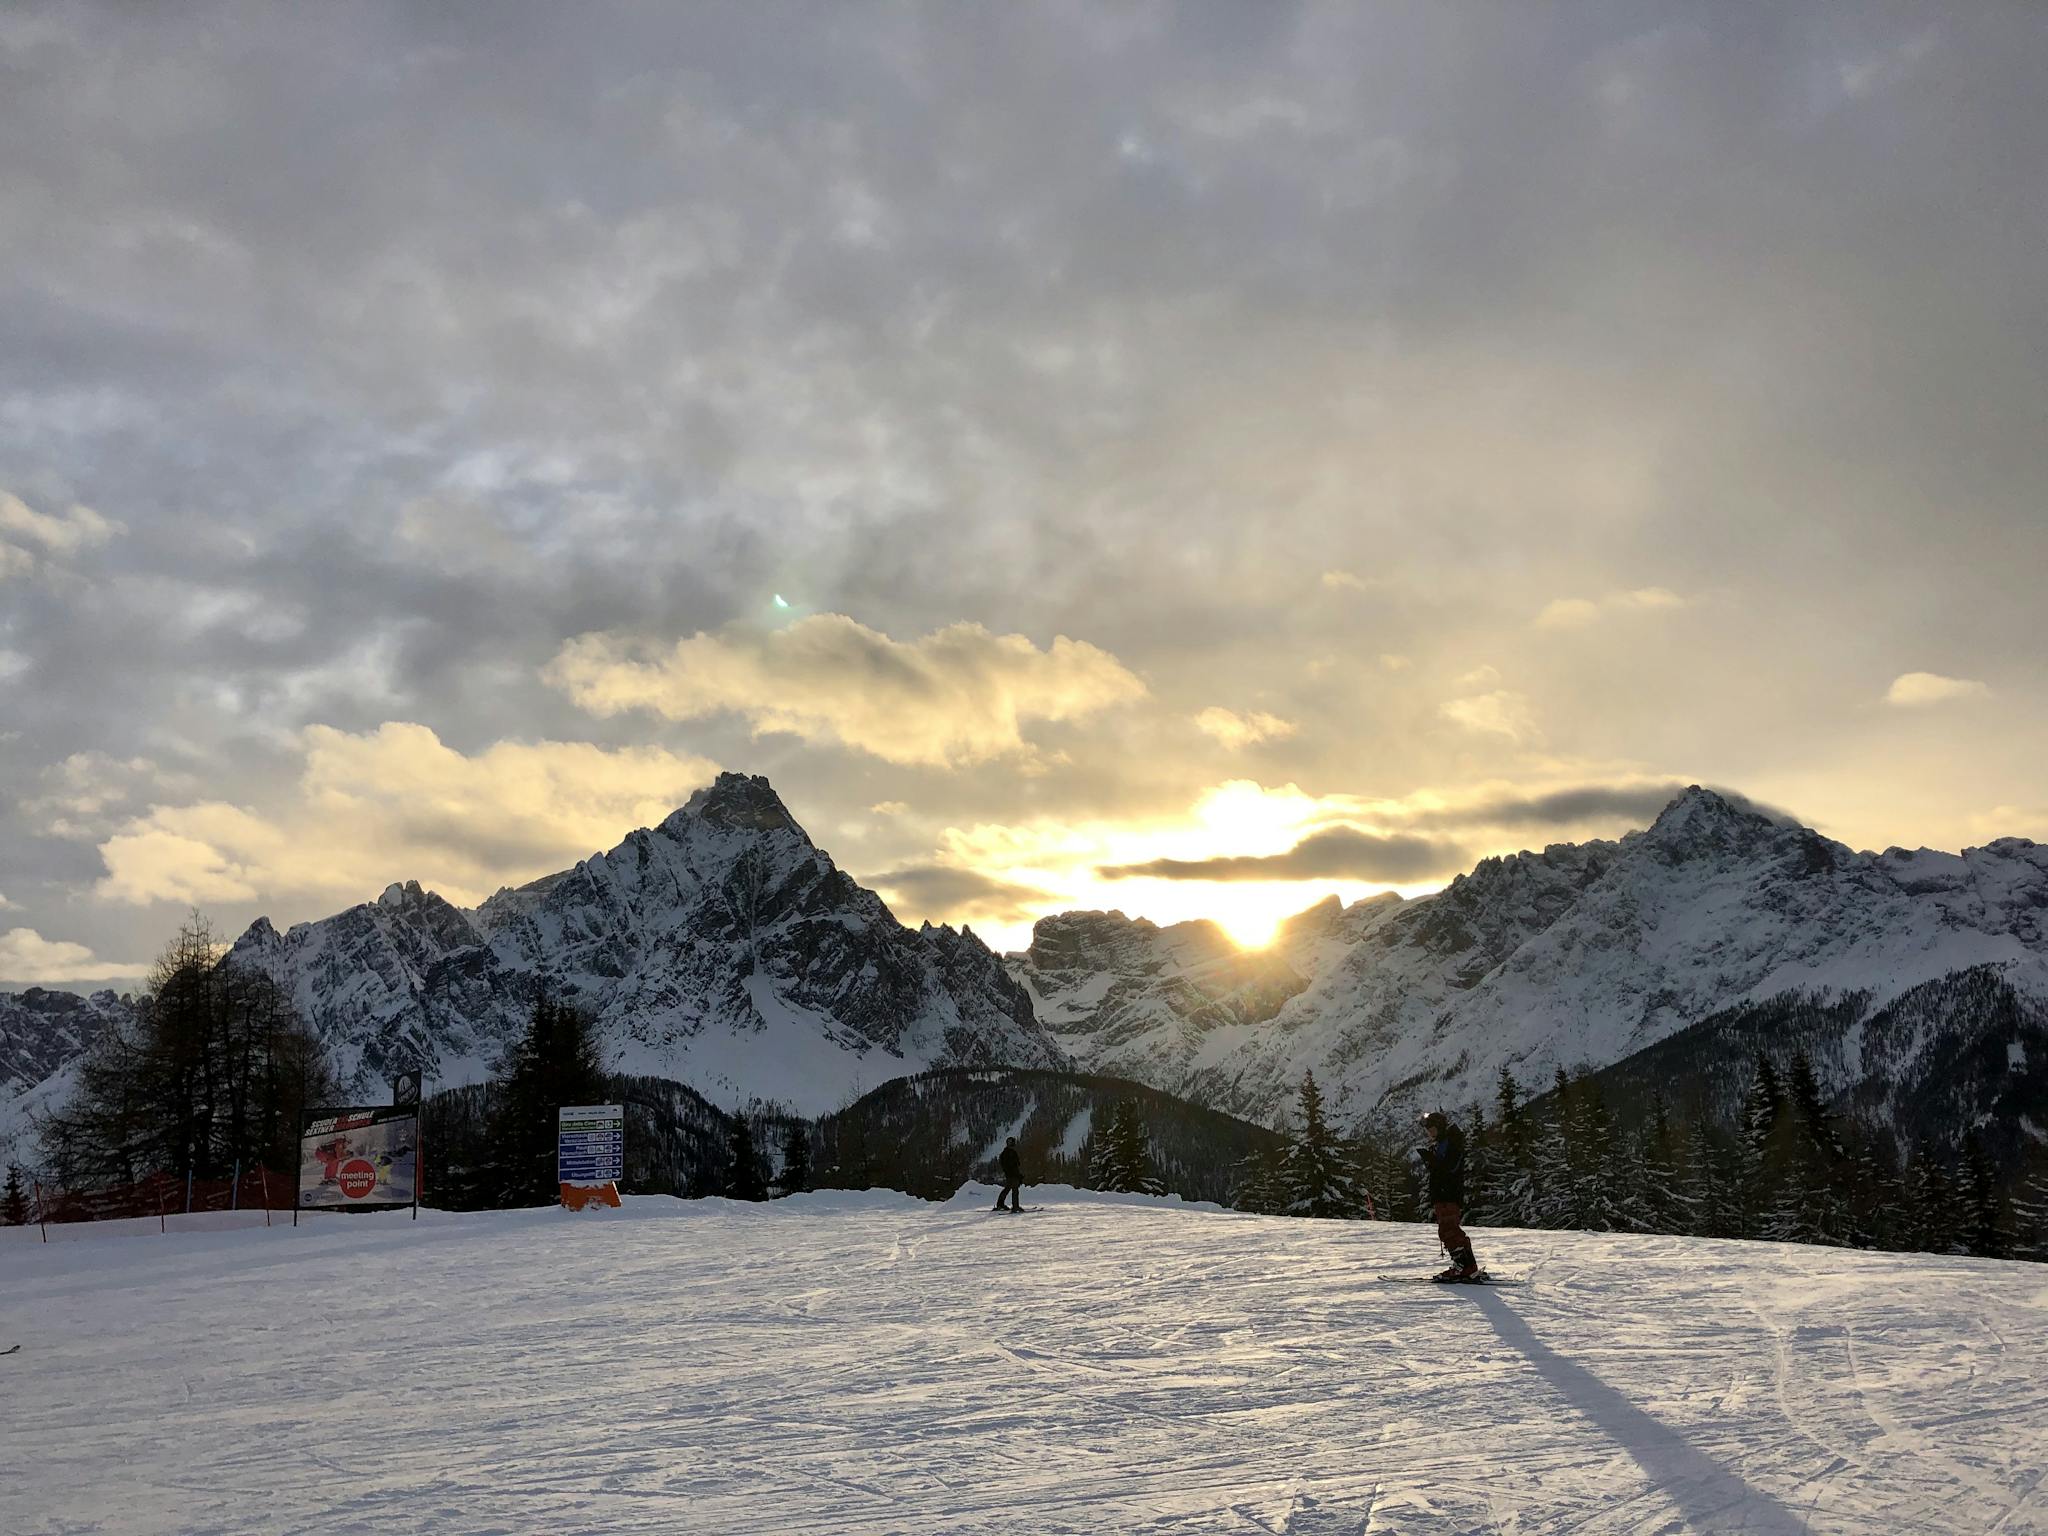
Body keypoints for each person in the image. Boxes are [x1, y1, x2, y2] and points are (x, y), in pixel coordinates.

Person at [1419, 1111, 1481, 1281]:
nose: (1429, 1133)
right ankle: (1469, 1266)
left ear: (1439, 1127)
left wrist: (1432, 1161)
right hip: (1445, 1193)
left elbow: (1450, 1168)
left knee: (1449, 1230)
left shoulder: (1451, 1142)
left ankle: (1462, 1267)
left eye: (1431, 1129)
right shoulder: (1444, 1142)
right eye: (1428, 1130)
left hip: (1448, 1193)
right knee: (1450, 1229)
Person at [994, 1135, 1025, 1213]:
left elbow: (1005, 1165)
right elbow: (1014, 1166)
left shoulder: (1004, 1153)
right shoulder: (1011, 1153)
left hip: (1009, 1175)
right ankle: (1015, 1206)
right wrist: (1018, 1175)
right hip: (1013, 1175)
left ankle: (1000, 1204)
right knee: (1015, 1190)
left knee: (1007, 1189)